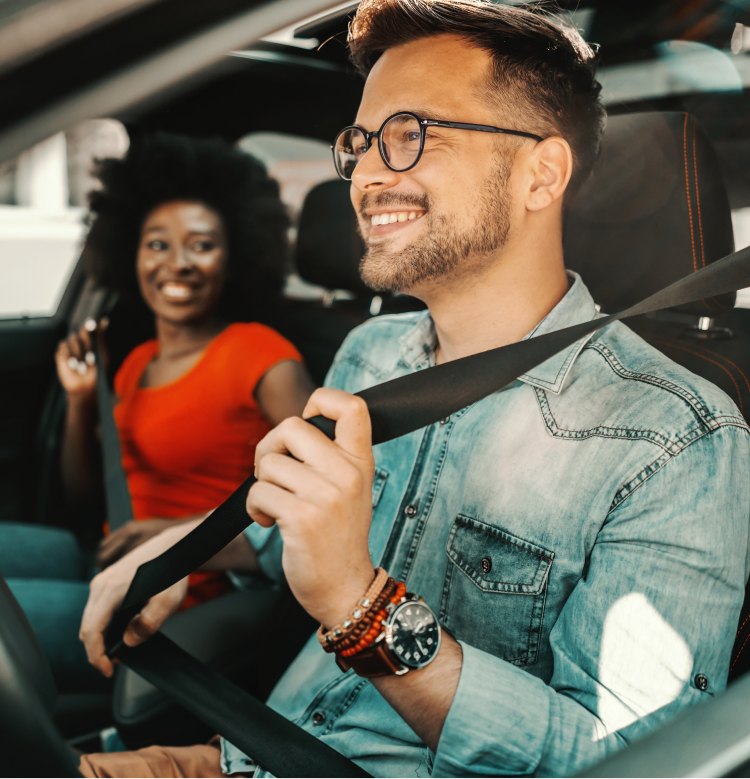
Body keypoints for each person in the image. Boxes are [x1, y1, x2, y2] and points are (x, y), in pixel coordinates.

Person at [78, 1, 750, 776]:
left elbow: (632, 762)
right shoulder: (371, 355)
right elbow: (295, 530)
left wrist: (363, 609)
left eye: (411, 134)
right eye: (360, 142)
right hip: (245, 754)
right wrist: (171, 552)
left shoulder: (677, 438)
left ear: (541, 174)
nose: (365, 174)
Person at [0, 132, 314, 693]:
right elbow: (84, 493)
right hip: (109, 557)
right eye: (157, 244)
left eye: (202, 244)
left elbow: (313, 508)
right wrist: (79, 399)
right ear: (130, 252)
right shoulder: (138, 360)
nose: (178, 264)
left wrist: (171, 535)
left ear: (235, 255)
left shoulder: (261, 355)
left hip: (179, 589)